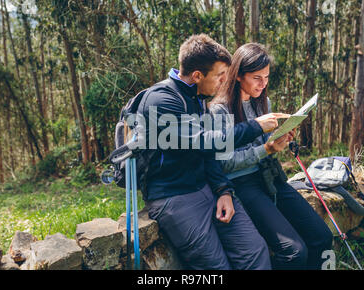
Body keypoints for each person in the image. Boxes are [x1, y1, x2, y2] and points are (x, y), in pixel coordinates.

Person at [136, 34, 275, 270]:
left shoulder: (198, 98)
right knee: (217, 267)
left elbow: (207, 156)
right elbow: (207, 143)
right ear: (198, 76)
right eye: (220, 76)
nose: (224, 82)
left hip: (207, 188)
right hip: (174, 197)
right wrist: (256, 126)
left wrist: (223, 190)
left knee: (256, 251)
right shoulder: (161, 101)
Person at [209, 42, 333, 270]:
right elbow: (225, 164)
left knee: (323, 237)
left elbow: (264, 144)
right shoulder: (220, 110)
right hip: (242, 184)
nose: (263, 84)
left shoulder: (264, 102)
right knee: (294, 253)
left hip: (270, 176)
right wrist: (265, 149)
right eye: (257, 77)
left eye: (266, 77)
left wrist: (280, 139)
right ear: (237, 75)